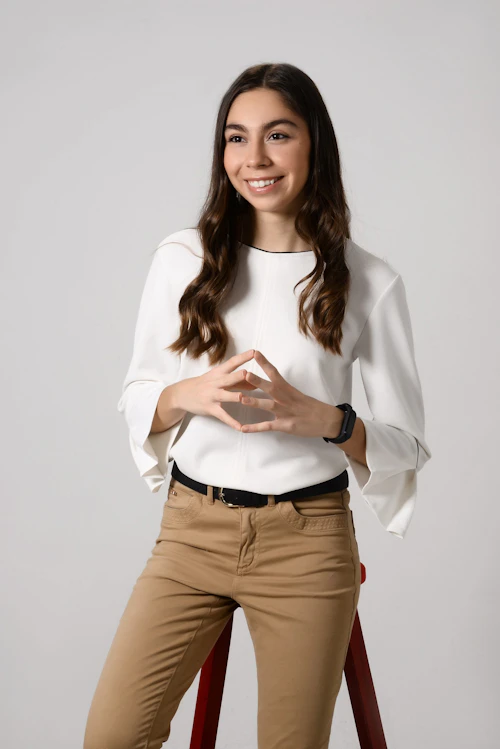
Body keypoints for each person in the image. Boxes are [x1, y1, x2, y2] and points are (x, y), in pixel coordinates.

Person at [83, 62, 431, 749]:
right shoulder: (182, 257)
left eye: (278, 134)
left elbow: (408, 444)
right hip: (192, 531)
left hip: (306, 542)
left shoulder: (370, 281)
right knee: (112, 737)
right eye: (236, 138)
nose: (255, 159)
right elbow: (138, 394)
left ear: (314, 144)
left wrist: (329, 420)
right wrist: (187, 394)